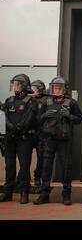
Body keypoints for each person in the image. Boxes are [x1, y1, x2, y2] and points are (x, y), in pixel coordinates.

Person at [34, 76, 82, 205]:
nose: (56, 90)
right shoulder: (45, 101)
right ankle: (44, 195)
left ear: (64, 89)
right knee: (46, 167)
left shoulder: (71, 102)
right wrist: (44, 115)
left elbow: (79, 119)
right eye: (55, 88)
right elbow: (37, 120)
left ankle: (66, 195)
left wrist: (70, 116)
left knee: (66, 167)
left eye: (59, 88)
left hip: (64, 140)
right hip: (48, 139)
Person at [0, 74, 37, 204]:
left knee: (24, 166)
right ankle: (7, 193)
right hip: (10, 139)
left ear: (24, 86)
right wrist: (10, 127)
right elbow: (3, 116)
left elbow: (28, 119)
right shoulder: (9, 100)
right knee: (9, 166)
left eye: (17, 84)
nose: (15, 87)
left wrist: (17, 129)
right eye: (14, 84)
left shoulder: (31, 101)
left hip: (24, 139)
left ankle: (24, 193)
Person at [30, 80, 47, 193]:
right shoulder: (28, 100)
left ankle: (37, 179)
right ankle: (23, 181)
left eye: (35, 89)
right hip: (29, 132)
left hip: (41, 133)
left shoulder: (46, 100)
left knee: (41, 158)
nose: (33, 91)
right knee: (25, 159)